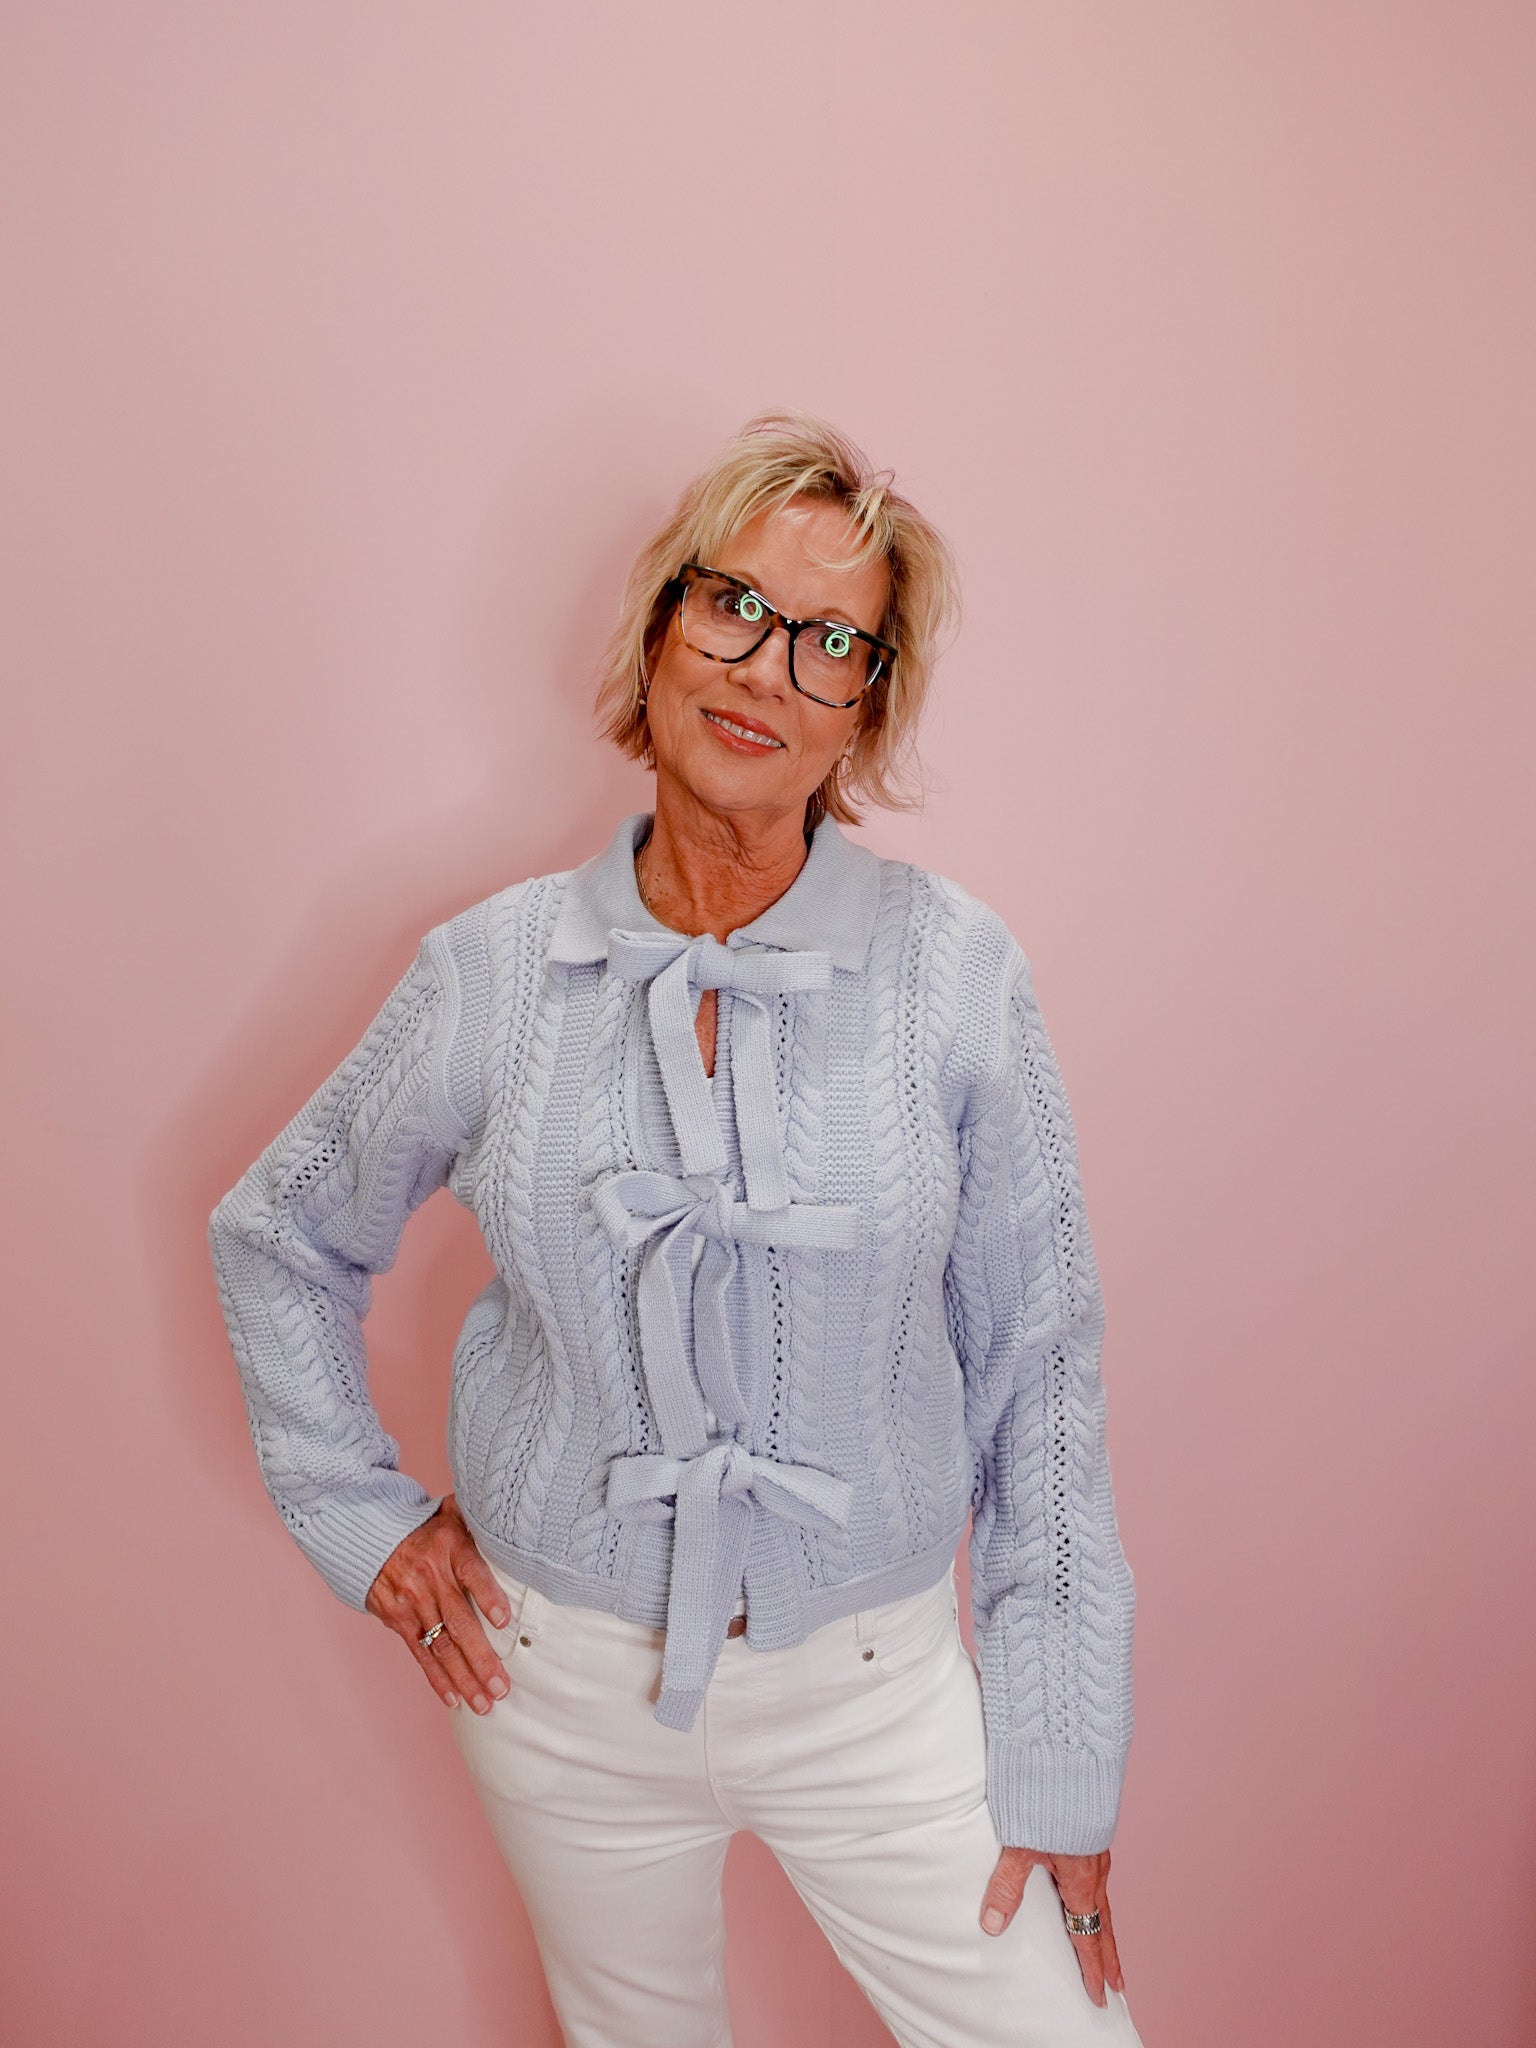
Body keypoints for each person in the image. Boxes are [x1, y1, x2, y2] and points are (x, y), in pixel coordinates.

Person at [207, 409, 1143, 2048]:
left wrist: (1060, 1750)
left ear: (865, 712)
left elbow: (1039, 1372)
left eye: (832, 641)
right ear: (659, 631)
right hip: (556, 1688)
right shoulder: (490, 973)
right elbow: (277, 1233)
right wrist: (361, 1518)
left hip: (875, 1692)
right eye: (736, 605)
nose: (768, 666)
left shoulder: (955, 975)